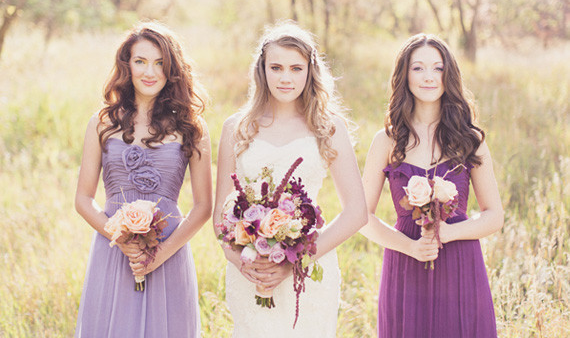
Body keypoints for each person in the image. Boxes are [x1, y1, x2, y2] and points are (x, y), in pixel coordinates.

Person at [213, 21, 368, 337]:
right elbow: (219, 216)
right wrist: (242, 261)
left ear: (310, 71)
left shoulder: (328, 128)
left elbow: (357, 213)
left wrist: (293, 262)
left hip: (307, 270)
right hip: (252, 271)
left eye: (296, 68)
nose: (286, 78)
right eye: (276, 67)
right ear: (262, 70)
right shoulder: (236, 128)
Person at [360, 33, 504, 337]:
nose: (428, 77)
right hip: (405, 264)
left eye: (438, 68)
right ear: (404, 75)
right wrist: (411, 248)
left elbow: (494, 215)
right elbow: (361, 217)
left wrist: (449, 232)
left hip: (460, 263)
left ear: (448, 75)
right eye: (418, 68)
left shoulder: (470, 139)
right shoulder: (386, 140)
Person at [74, 21, 212, 337]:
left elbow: (204, 206)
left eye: (160, 63)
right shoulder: (102, 123)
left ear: (172, 69)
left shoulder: (192, 127)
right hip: (114, 251)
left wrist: (159, 255)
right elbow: (83, 199)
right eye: (140, 61)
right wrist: (121, 238)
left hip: (169, 252)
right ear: (127, 65)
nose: (150, 72)